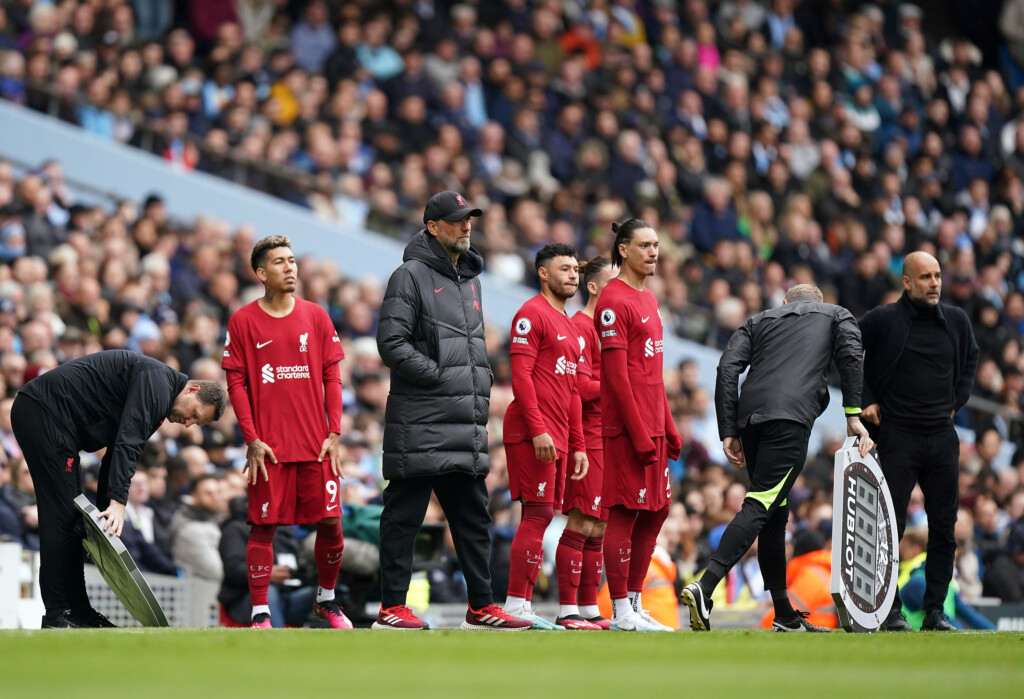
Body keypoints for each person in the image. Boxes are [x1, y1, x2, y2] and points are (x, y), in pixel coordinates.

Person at [375, 190, 530, 631]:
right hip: (421, 419)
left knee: (473, 520)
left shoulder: (471, 281)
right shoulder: (408, 275)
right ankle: (391, 609)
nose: (467, 226)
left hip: (463, 421)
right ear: (432, 227)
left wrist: (478, 383)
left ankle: (482, 607)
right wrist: (441, 376)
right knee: (404, 516)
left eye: (470, 220)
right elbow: (392, 343)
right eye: (458, 220)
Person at [682, 283, 871, 633]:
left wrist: (729, 429)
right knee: (761, 503)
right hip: (790, 418)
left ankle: (783, 613)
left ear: (784, 303)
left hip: (750, 419)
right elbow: (850, 356)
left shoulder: (758, 320)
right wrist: (853, 414)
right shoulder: (835, 314)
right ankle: (705, 586)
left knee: (773, 511)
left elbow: (727, 368)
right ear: (820, 302)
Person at [10, 349, 226, 628]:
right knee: (61, 520)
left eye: (196, 422)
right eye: (194, 414)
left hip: (52, 420)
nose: (188, 423)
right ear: (192, 389)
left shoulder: (160, 394)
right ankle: (58, 614)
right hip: (43, 412)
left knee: (73, 521)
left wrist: (101, 521)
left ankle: (78, 612)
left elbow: (114, 454)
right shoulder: (158, 383)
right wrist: (118, 504)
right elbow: (127, 444)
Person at [222, 234, 352, 629]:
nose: (290, 267)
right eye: (279, 262)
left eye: (292, 260)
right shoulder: (243, 321)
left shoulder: (316, 315)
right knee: (263, 527)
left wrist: (334, 433)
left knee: (331, 524)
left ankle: (326, 600)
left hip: (316, 445)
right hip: (270, 449)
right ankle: (261, 611)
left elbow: (332, 376)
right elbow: (236, 384)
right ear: (261, 273)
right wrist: (251, 438)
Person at [860, 251, 979, 632]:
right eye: (925, 277)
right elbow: (847, 350)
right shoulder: (883, 319)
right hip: (898, 437)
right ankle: (889, 610)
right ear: (907, 282)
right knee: (888, 527)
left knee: (945, 527)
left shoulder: (957, 321)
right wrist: (863, 399)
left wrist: (956, 401)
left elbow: (972, 359)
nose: (935, 283)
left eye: (938, 276)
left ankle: (935, 612)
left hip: (942, 439)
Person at [594, 218, 683, 632]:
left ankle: (635, 601)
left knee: (658, 511)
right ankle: (619, 610)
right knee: (624, 514)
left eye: (657, 244)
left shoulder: (649, 299)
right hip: (628, 430)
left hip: (653, 426)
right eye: (645, 245)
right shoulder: (613, 301)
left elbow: (653, 372)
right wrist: (638, 431)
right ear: (623, 250)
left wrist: (668, 425)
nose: (653, 252)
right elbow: (617, 377)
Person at [501, 243, 594, 630]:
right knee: (537, 514)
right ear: (543, 273)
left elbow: (573, 391)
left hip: (558, 435)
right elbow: (520, 377)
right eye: (565, 269)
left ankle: (520, 603)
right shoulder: (530, 314)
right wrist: (538, 429)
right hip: (530, 430)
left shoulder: (571, 328)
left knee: (542, 515)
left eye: (576, 269)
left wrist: (577, 445)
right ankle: (515, 603)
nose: (573, 275)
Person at [564, 255, 618, 629]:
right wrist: (622, 388)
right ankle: (567, 609)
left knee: (599, 527)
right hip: (588, 436)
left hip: (609, 437)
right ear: (595, 286)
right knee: (582, 523)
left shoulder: (609, 329)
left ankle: (587, 608)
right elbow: (580, 387)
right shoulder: (580, 327)